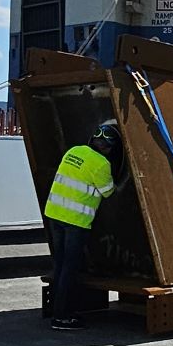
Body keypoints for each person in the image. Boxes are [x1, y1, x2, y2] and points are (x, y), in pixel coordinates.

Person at [43, 119, 125, 331]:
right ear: (108, 148)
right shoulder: (101, 164)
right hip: (75, 221)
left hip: (54, 214)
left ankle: (59, 310)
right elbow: (108, 191)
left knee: (60, 266)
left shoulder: (74, 151)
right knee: (70, 268)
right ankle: (61, 317)